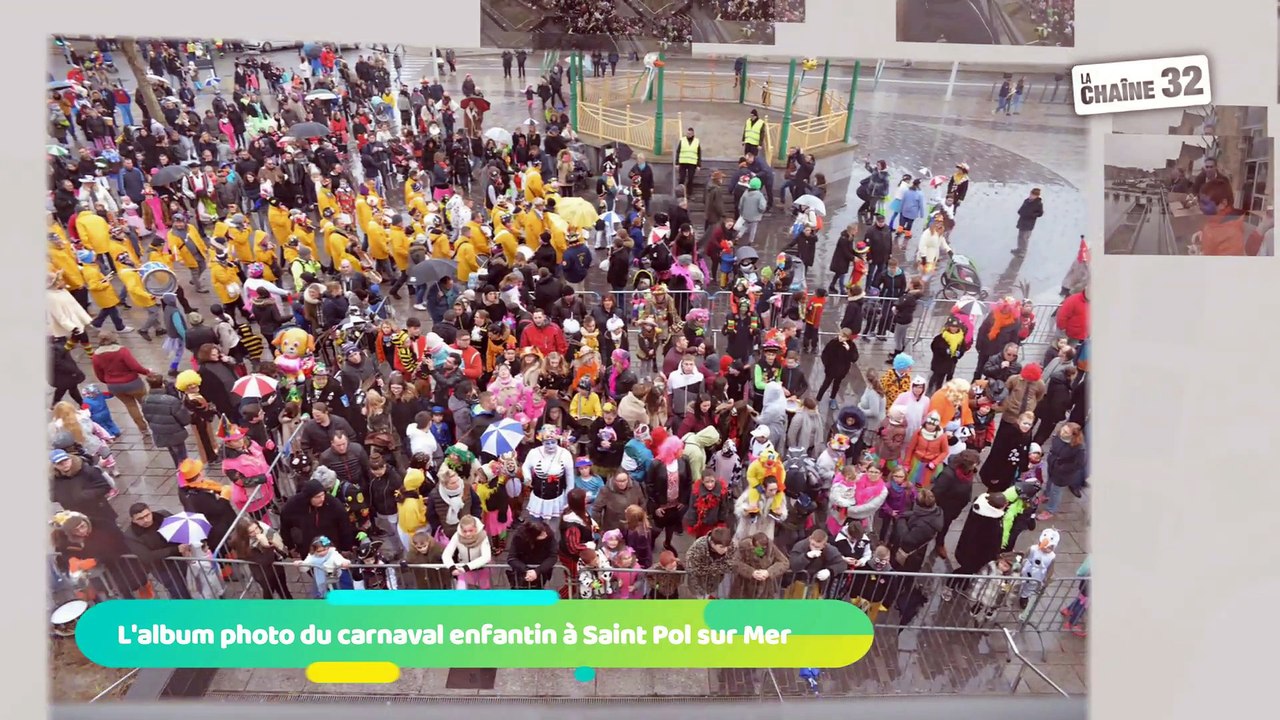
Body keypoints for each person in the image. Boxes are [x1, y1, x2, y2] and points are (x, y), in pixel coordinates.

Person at [1013, 188, 1044, 257]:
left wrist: (1032, 215)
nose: (1031, 196)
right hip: (1022, 221)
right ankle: (1019, 249)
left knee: (1025, 237)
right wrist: (1020, 212)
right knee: (1020, 236)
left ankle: (1023, 251)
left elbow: (1040, 213)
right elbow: (1021, 209)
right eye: (1031, 194)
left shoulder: (1038, 204)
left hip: (1029, 223)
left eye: (1033, 195)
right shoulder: (1026, 201)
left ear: (1037, 196)